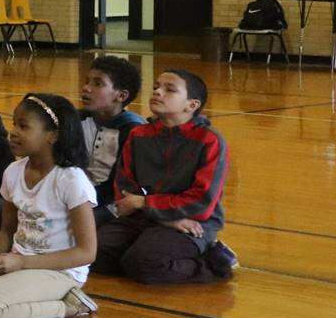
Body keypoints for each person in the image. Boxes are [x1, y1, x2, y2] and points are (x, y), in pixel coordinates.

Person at [0, 92, 99, 318]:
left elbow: (86, 252)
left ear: (52, 136)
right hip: (18, 261)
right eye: (14, 124)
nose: (13, 132)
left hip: (59, 271)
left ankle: (71, 306)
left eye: (24, 126)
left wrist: (22, 262)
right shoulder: (13, 171)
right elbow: (7, 230)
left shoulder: (71, 180)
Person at [97, 68, 236, 284]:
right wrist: (159, 217)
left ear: (191, 105)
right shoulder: (139, 134)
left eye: (169, 89)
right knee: (93, 253)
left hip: (192, 221)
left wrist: (145, 203)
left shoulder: (209, 141)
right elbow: (125, 185)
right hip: (145, 216)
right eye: (155, 87)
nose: (157, 92)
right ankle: (141, 254)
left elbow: (201, 201)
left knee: (145, 262)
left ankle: (214, 262)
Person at [79, 55, 144, 226]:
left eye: (98, 83)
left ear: (121, 96)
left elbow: (119, 184)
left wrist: (80, 201)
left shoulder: (132, 129)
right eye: (87, 81)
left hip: (112, 202)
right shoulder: (77, 120)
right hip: (76, 196)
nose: (86, 88)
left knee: (74, 225)